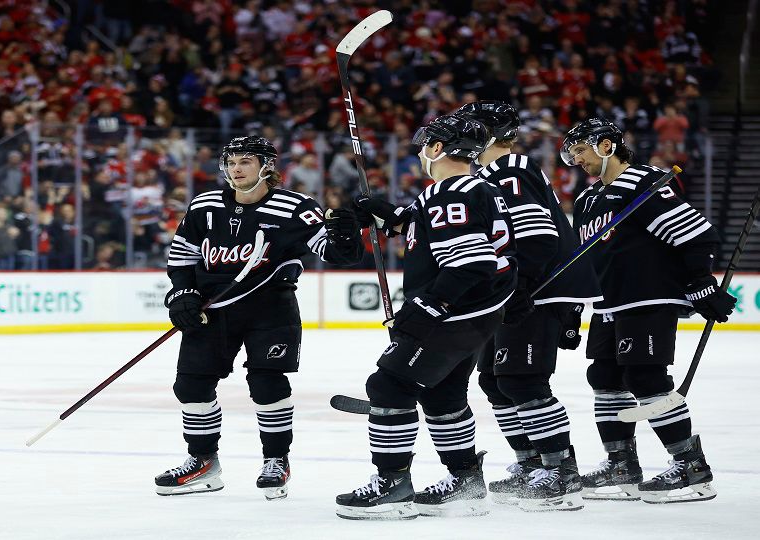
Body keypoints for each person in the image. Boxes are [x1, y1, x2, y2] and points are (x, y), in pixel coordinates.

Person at [156, 135, 363, 500]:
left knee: (267, 384)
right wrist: (182, 293)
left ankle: (276, 459)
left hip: (270, 307)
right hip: (212, 309)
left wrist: (346, 235)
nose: (236, 170)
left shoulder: (296, 208)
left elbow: (335, 253)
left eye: (245, 162)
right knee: (190, 385)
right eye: (231, 162)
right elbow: (183, 255)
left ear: (266, 166)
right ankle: (203, 461)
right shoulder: (204, 205)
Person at [335, 115, 516, 520]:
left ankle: (392, 484)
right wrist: (387, 215)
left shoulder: (453, 193)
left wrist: (427, 309)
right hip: (474, 313)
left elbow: (471, 264)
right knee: (442, 394)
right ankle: (465, 481)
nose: (420, 153)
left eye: (424, 145)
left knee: (389, 385)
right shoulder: (458, 191)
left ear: (437, 149)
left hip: (455, 313)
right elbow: (424, 227)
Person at [563, 118, 735, 504]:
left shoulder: (646, 181)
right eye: (572, 154)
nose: (577, 160)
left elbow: (695, 234)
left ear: (606, 145)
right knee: (604, 376)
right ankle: (621, 464)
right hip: (608, 302)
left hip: (648, 296)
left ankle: (691, 466)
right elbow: (584, 260)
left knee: (644, 376)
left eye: (581, 151)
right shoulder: (588, 199)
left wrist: (700, 281)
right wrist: (573, 309)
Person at [457, 101, 602, 511]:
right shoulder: (486, 173)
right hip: (521, 288)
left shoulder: (510, 168)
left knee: (523, 381)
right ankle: (532, 461)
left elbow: (535, 234)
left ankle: (560, 469)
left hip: (538, 288)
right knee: (493, 380)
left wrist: (519, 287)